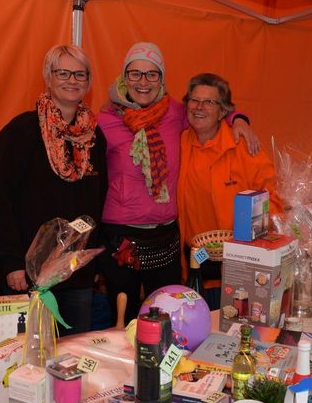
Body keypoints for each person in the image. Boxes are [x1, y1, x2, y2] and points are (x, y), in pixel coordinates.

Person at [96, 42, 260, 324]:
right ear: (124, 77)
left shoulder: (175, 112)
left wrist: (238, 118)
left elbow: (208, 111)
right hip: (121, 236)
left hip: (166, 237)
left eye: (152, 74)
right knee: (124, 319)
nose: (143, 82)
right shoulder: (104, 120)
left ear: (162, 78)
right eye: (135, 73)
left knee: (170, 319)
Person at [0, 44, 107, 336]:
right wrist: (11, 263)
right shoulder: (21, 131)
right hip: (28, 275)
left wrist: (93, 261)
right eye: (63, 73)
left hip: (77, 274)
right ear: (48, 78)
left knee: (74, 352)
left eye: (80, 74)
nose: (72, 80)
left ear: (89, 82)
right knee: (32, 354)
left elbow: (99, 198)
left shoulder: (94, 137)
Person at [178, 73, 284, 308]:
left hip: (237, 266)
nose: (199, 107)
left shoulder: (244, 147)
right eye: (194, 100)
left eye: (209, 102)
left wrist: (253, 245)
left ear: (222, 112)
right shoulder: (181, 142)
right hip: (194, 263)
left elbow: (273, 201)